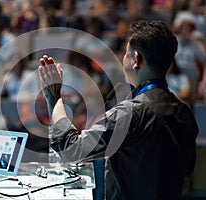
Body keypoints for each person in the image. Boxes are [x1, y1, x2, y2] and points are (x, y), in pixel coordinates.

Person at [38, 20, 198, 199]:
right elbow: (188, 167)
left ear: (136, 59)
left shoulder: (132, 113)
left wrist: (54, 99)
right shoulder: (184, 112)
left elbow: (71, 150)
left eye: (125, 53)